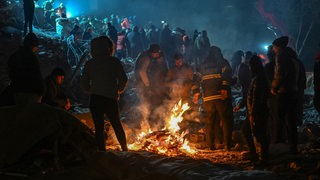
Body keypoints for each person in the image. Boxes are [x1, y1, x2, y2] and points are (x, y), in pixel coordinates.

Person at [80, 36, 128, 152]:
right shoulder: (114, 62)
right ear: (109, 48)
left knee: (99, 127)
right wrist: (118, 90)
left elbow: (83, 83)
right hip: (110, 98)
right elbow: (123, 79)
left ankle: (102, 152)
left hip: (95, 99)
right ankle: (125, 149)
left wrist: (91, 90)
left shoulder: (90, 63)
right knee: (116, 124)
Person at [193, 46, 234, 150]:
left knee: (210, 121)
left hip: (208, 97)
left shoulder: (202, 64)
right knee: (225, 120)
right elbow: (228, 73)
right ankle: (227, 145)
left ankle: (210, 145)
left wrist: (196, 93)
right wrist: (224, 87)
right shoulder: (222, 62)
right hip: (221, 95)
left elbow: (195, 79)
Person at [271, 36, 300, 153]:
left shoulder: (280, 56)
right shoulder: (293, 57)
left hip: (283, 92)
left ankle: (278, 145)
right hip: (293, 91)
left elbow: (279, 74)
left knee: (278, 118)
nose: (273, 49)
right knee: (291, 120)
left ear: (277, 47)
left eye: (273, 47)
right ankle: (293, 145)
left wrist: (274, 87)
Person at [3, 33, 44, 106]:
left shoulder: (15, 55)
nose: (36, 49)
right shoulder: (31, 57)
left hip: (16, 91)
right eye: (36, 47)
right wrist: (42, 90)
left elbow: (10, 73)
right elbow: (36, 75)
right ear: (32, 46)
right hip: (30, 93)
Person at [134, 44, 168, 127]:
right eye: (156, 53)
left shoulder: (149, 56)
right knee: (146, 102)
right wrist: (148, 85)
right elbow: (142, 72)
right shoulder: (145, 58)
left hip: (145, 83)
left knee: (150, 101)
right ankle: (145, 121)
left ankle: (150, 119)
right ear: (151, 52)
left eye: (158, 53)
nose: (157, 55)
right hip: (142, 84)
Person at [244, 55, 269, 164]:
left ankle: (262, 157)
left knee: (259, 134)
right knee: (252, 131)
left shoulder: (259, 79)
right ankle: (255, 154)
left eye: (250, 65)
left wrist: (252, 113)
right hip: (257, 111)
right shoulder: (258, 77)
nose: (249, 68)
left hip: (258, 112)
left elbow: (256, 98)